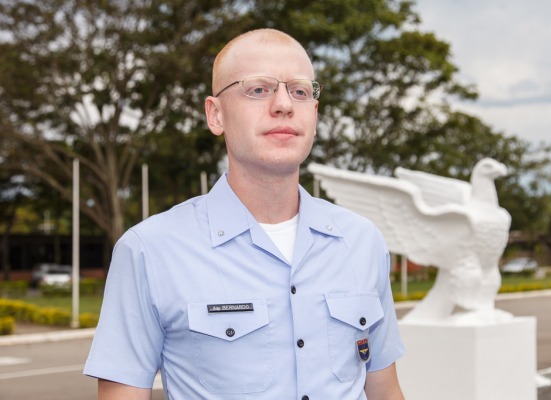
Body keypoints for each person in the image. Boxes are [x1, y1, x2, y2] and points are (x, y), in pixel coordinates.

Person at [84, 28, 406, 399]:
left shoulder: (361, 241)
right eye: (258, 89)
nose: (284, 104)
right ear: (215, 114)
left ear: (314, 114)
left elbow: (384, 389)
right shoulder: (150, 250)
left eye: (300, 91)